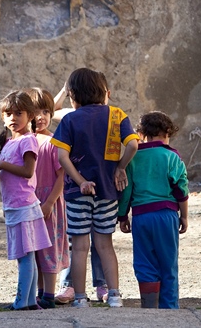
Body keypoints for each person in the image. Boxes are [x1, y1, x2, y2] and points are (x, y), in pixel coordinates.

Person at [52, 67, 139, 308]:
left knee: (79, 247)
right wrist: (120, 168)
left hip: (77, 193)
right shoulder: (117, 114)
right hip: (108, 191)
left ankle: (80, 298)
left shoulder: (70, 119)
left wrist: (80, 182)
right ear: (104, 92)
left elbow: (62, 157)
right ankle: (114, 295)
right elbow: (132, 145)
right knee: (105, 244)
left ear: (73, 96)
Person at [0, 90, 52, 310]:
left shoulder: (28, 140)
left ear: (30, 115)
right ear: (3, 117)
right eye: (8, 114)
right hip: (15, 206)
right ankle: (30, 301)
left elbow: (27, 171)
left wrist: (2, 165)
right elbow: (9, 177)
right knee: (26, 255)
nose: (13, 118)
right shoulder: (9, 143)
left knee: (25, 255)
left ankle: (21, 301)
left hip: (24, 205)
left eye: (19, 113)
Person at [118, 111, 189, 309]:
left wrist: (123, 216)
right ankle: (169, 308)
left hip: (141, 217)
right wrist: (184, 216)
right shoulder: (171, 156)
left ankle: (149, 308)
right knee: (168, 265)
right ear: (167, 132)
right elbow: (181, 190)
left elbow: (126, 190)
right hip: (166, 216)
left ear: (141, 133)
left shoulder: (134, 157)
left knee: (144, 263)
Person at [25, 87, 69, 309]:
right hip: (28, 203)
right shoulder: (24, 141)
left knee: (49, 248)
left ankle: (49, 296)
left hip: (47, 203)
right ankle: (40, 292)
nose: (41, 117)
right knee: (33, 250)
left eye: (45, 111)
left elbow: (62, 175)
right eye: (35, 111)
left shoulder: (53, 142)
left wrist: (50, 202)